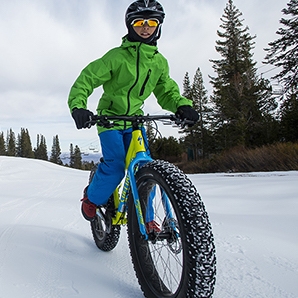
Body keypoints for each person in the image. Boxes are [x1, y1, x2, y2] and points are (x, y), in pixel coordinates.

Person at [68, 0, 198, 223]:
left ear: (158, 26)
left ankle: (146, 221)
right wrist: (79, 106)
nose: (145, 27)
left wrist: (181, 105)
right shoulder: (116, 57)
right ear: (130, 26)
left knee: (144, 168)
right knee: (117, 166)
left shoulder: (158, 62)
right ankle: (91, 199)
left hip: (136, 122)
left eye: (151, 22)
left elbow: (166, 90)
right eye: (139, 22)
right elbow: (86, 79)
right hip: (110, 119)